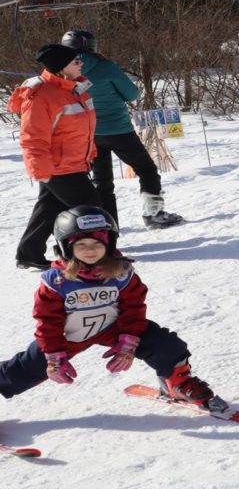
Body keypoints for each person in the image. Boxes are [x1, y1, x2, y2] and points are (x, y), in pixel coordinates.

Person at [0, 206, 219, 408]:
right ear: (67, 247)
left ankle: (177, 383)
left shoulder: (121, 273)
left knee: (165, 344)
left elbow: (134, 308)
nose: (90, 250)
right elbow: (47, 321)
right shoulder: (57, 281)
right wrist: (54, 356)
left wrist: (129, 342)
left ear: (110, 244)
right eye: (81, 245)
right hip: (68, 336)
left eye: (97, 244)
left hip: (112, 329)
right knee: (27, 369)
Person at [62, 30, 183, 230]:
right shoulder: (105, 67)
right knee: (147, 170)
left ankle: (108, 226)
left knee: (102, 181)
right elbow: (132, 93)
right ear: (93, 46)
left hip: (88, 133)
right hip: (119, 130)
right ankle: (154, 215)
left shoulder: (64, 72)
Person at [10, 44, 101, 270]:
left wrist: (90, 153)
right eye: (75, 61)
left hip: (75, 162)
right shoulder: (42, 96)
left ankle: (28, 253)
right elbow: (33, 138)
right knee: (91, 210)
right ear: (61, 68)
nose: (81, 63)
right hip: (58, 167)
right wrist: (42, 172)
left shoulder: (74, 88)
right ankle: (91, 258)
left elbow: (81, 129)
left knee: (49, 208)